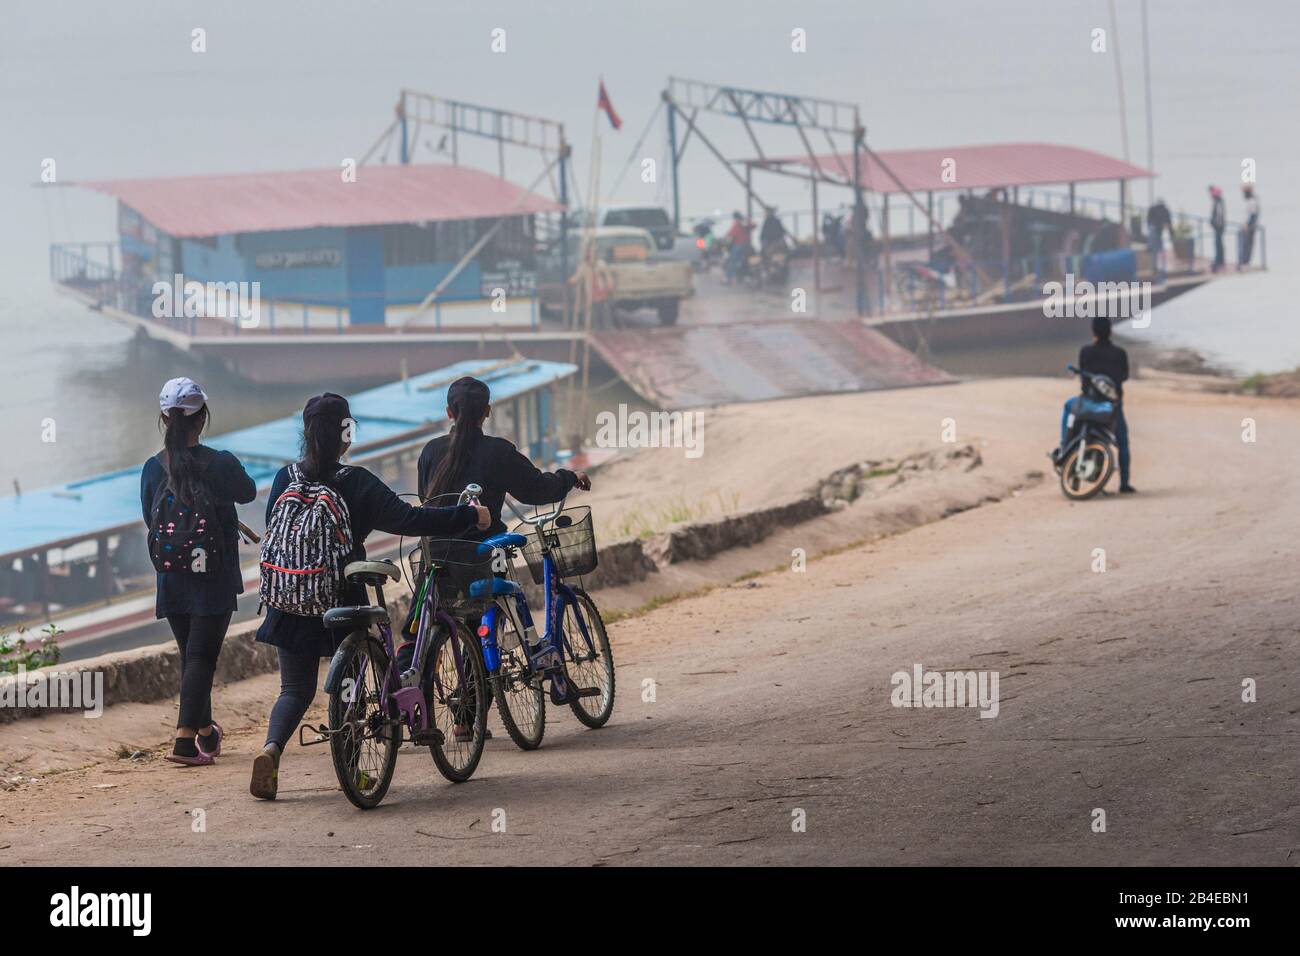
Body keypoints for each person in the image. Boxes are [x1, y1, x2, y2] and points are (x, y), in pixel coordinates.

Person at [249, 392, 489, 800]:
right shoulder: (355, 481)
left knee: (294, 690)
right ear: (346, 434)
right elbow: (409, 518)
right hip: (342, 600)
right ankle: (358, 774)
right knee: (354, 691)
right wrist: (470, 515)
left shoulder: (285, 478)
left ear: (306, 435)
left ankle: (271, 750)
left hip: (289, 600)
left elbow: (277, 534)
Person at [140, 377, 257, 766]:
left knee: (193, 656)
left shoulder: (152, 468)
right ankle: (184, 742)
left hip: (171, 577)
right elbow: (249, 492)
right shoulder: (220, 463)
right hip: (213, 577)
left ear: (164, 417)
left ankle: (206, 733)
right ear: (201, 418)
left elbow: (148, 518)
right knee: (201, 659)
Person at [417, 376, 590, 541]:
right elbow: (537, 489)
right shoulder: (499, 451)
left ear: (449, 413)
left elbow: (424, 496)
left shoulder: (430, 450)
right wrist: (571, 477)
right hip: (484, 553)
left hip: (435, 556)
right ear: (487, 411)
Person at [1051, 317, 1135, 494]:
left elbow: (1083, 377)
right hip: (1112, 407)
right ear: (1110, 331)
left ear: (1093, 332)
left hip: (1089, 403)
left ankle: (1064, 446)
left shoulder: (1086, 352)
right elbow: (1124, 376)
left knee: (1068, 408)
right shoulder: (1119, 353)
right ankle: (1124, 483)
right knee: (1122, 443)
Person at [722, 211, 754, 284]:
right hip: (747, 245)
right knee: (744, 260)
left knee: (732, 262)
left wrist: (725, 238)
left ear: (735, 217)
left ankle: (728, 278)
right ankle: (745, 276)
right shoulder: (744, 222)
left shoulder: (737, 224)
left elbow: (731, 233)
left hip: (738, 245)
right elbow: (753, 226)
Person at [1146, 198, 1172, 283]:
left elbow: (1149, 222)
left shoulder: (1153, 209)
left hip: (1157, 232)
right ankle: (1161, 269)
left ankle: (1156, 268)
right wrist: (1172, 234)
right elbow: (1168, 223)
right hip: (1159, 232)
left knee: (1156, 251)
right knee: (1161, 252)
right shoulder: (1164, 210)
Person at [1239, 185, 1260, 270]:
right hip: (1249, 225)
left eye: (1244, 192)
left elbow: (1253, 215)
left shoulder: (1252, 201)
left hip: (1250, 227)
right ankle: (1245, 261)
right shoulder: (1251, 201)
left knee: (1247, 244)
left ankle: (1245, 262)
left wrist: (1247, 225)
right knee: (1246, 244)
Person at [1208, 186, 1226, 273]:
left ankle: (1219, 260)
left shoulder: (1218, 202)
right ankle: (1220, 260)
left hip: (1219, 226)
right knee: (1218, 243)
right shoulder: (1218, 202)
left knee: (1218, 243)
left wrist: (1215, 224)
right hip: (1219, 226)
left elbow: (1219, 215)